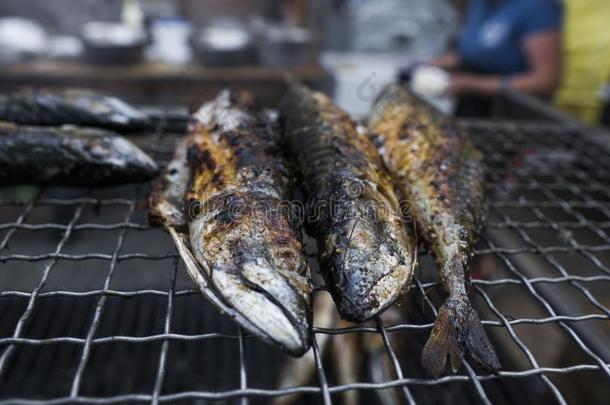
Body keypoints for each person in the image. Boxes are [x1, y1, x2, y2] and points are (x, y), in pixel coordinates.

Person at [430, 0, 563, 100]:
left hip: (513, 113)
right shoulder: (480, 4)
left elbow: (545, 81)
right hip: (474, 106)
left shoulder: (537, 7)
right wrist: (434, 64)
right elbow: (474, 50)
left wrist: (474, 84)